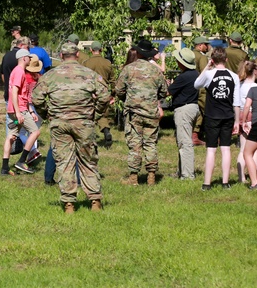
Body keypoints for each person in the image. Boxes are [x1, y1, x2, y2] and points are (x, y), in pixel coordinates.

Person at [31, 42, 106, 213]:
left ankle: (69, 204)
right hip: (84, 123)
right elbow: (104, 95)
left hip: (60, 123)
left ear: (62, 55)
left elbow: (36, 98)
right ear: (77, 54)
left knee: (64, 162)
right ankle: (95, 201)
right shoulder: (89, 74)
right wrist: (95, 114)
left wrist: (48, 113)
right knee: (88, 160)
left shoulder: (50, 75)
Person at [114, 39, 168, 186]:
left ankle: (133, 178)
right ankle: (151, 177)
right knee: (150, 144)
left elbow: (118, 90)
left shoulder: (129, 69)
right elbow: (164, 91)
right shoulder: (156, 70)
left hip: (134, 113)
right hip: (151, 112)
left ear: (137, 52)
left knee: (134, 145)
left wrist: (127, 97)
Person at [193, 48, 241, 190]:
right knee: (226, 149)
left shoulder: (208, 75)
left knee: (211, 150)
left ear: (212, 60)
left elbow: (196, 85)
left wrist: (207, 67)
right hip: (228, 116)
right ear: (226, 60)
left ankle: (207, 183)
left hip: (212, 116)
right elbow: (236, 101)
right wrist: (237, 121)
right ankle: (225, 182)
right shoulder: (234, 76)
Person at [167, 48, 201, 180]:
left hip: (184, 110)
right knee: (183, 140)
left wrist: (169, 85)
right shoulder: (195, 74)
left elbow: (167, 92)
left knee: (184, 143)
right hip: (193, 107)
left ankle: (187, 175)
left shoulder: (183, 77)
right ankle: (182, 171)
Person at [1, 48, 32, 175]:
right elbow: (14, 92)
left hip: (12, 109)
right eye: (29, 57)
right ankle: (22, 160)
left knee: (11, 136)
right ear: (24, 58)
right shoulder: (19, 71)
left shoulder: (16, 71)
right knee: (35, 132)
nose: (30, 59)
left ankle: (4, 168)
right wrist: (18, 112)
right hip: (19, 108)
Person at [82, 41, 115, 148]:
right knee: (103, 114)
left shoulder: (86, 63)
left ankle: (90, 139)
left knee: (89, 116)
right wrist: (113, 94)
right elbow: (113, 81)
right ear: (101, 50)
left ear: (91, 50)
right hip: (104, 92)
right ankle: (106, 131)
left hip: (90, 93)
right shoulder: (107, 63)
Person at [11, 57, 42, 174]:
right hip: (39, 107)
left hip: (28, 106)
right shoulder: (40, 77)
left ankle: (33, 151)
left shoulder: (24, 76)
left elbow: (24, 94)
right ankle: (31, 155)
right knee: (34, 131)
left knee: (23, 132)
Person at [236, 60, 257, 184]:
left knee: (243, 149)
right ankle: (254, 176)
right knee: (254, 150)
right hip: (254, 115)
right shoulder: (256, 87)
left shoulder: (239, 85)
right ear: (255, 71)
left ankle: (241, 177)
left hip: (241, 115)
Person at [191, 36, 212, 147]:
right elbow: (205, 73)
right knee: (207, 111)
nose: (207, 46)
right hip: (201, 89)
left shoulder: (190, 55)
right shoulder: (202, 57)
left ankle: (194, 135)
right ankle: (212, 135)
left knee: (196, 112)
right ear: (200, 45)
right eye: (205, 44)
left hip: (190, 87)